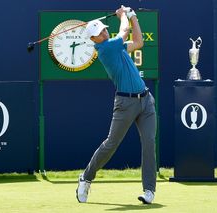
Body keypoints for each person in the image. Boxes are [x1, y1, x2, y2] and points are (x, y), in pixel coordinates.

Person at [76, 5, 157, 204]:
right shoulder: (105, 48)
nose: (103, 32)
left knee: (149, 143)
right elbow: (125, 31)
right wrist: (123, 16)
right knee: (111, 144)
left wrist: (134, 17)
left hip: (145, 101)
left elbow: (138, 42)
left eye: (104, 29)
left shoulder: (115, 45)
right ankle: (86, 178)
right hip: (125, 103)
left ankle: (149, 191)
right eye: (99, 32)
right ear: (93, 39)